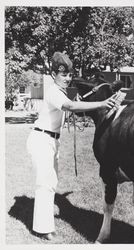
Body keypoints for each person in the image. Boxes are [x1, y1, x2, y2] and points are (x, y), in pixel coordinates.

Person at [26, 51, 116, 240]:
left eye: (69, 75)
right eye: (63, 75)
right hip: (42, 140)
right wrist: (102, 103)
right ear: (54, 75)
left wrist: (77, 104)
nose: (67, 78)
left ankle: (44, 225)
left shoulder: (60, 92)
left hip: (51, 140)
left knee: (50, 184)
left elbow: (69, 107)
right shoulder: (52, 91)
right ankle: (43, 229)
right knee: (45, 184)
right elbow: (70, 107)